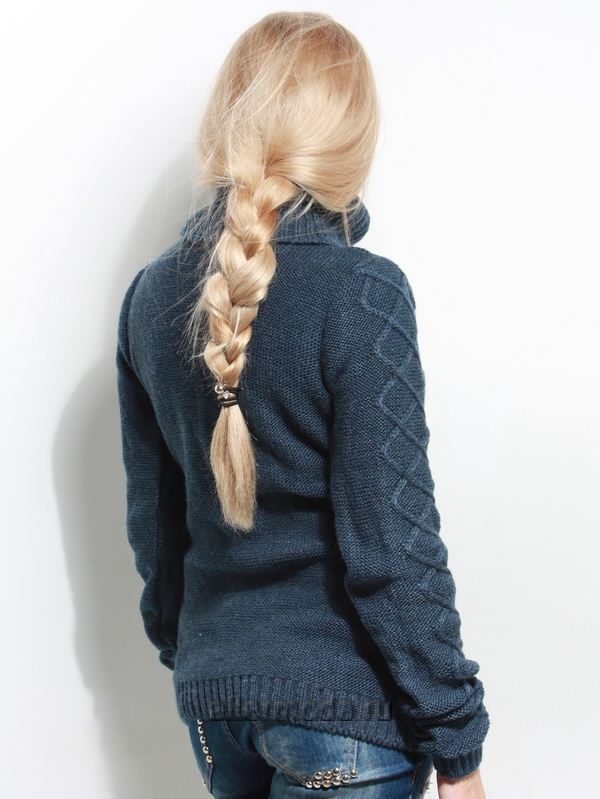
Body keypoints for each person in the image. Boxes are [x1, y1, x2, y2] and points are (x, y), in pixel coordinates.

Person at [115, 11, 490, 799]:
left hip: (216, 710)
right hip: (346, 717)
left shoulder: (149, 298)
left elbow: (156, 533)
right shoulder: (360, 294)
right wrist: (458, 743)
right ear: (349, 141)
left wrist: (203, 657)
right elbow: (393, 548)